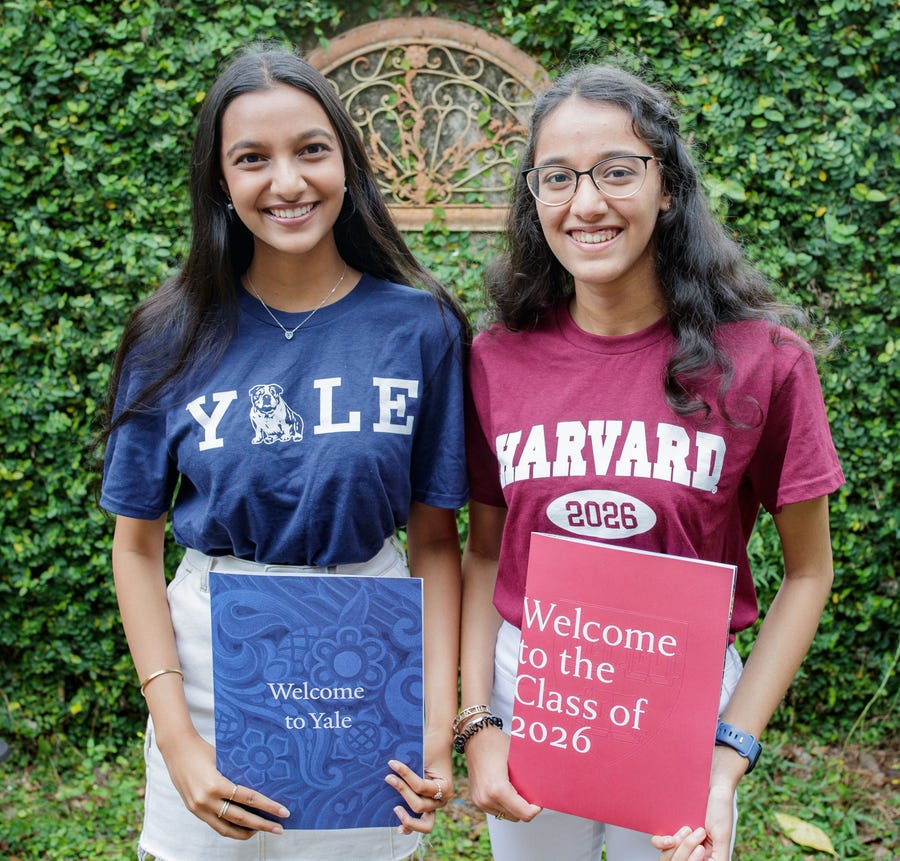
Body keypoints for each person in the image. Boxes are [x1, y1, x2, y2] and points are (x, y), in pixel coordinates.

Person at [458, 63, 843, 861]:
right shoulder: (495, 359)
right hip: (534, 692)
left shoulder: (765, 360)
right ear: (535, 197)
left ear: (668, 187)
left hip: (685, 703)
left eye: (617, 171)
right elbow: (485, 549)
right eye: (557, 177)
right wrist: (480, 723)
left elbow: (809, 573)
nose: (587, 202)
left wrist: (727, 756)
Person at [99, 44, 468, 861]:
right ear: (221, 183)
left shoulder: (421, 327)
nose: (288, 182)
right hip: (210, 663)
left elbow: (437, 541)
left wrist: (434, 719)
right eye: (252, 158)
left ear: (347, 160)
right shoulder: (169, 334)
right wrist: (178, 737)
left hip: (366, 653)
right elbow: (135, 547)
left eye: (310, 149)